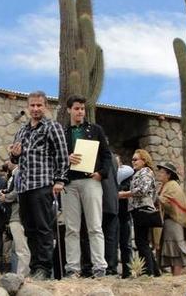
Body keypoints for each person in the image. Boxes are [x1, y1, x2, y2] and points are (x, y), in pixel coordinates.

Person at [9, 91, 69, 280]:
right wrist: (15, 155)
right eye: (32, 105)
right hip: (24, 187)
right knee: (30, 229)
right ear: (28, 107)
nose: (35, 109)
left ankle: (44, 267)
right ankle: (35, 267)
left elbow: (62, 155)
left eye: (39, 105)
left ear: (45, 107)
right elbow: (14, 159)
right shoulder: (22, 130)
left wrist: (60, 180)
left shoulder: (53, 127)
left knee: (43, 228)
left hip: (43, 184)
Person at [62, 95, 112, 278]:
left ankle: (99, 267)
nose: (80, 112)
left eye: (82, 108)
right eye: (76, 108)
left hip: (91, 181)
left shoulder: (95, 129)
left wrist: (101, 173)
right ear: (69, 110)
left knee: (95, 226)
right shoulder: (63, 133)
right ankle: (73, 268)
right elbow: (56, 158)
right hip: (69, 184)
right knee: (71, 228)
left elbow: (107, 155)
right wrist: (66, 159)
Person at [118, 149, 160, 277]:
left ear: (144, 160)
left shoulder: (146, 172)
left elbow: (143, 189)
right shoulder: (140, 173)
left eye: (136, 159)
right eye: (132, 160)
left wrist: (124, 194)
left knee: (141, 241)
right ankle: (154, 272)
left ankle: (148, 272)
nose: (133, 162)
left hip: (143, 209)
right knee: (142, 241)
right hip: (138, 210)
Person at [155, 162, 186, 276]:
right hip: (167, 222)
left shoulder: (172, 186)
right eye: (159, 171)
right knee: (171, 251)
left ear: (169, 175)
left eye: (162, 172)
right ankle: (174, 276)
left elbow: (169, 202)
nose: (159, 174)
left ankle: (177, 277)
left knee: (176, 250)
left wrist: (156, 197)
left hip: (174, 221)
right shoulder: (164, 186)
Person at [0, 161, 31, 277]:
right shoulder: (14, 175)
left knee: (21, 249)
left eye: (10, 159)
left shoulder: (19, 172)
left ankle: (22, 275)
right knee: (20, 248)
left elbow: (19, 191)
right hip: (16, 215)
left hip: (18, 216)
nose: (7, 162)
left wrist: (5, 197)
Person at [116, 154, 134, 278]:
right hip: (111, 215)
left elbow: (128, 189)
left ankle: (128, 272)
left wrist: (117, 192)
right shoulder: (109, 176)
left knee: (126, 245)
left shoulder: (127, 175)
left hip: (124, 214)